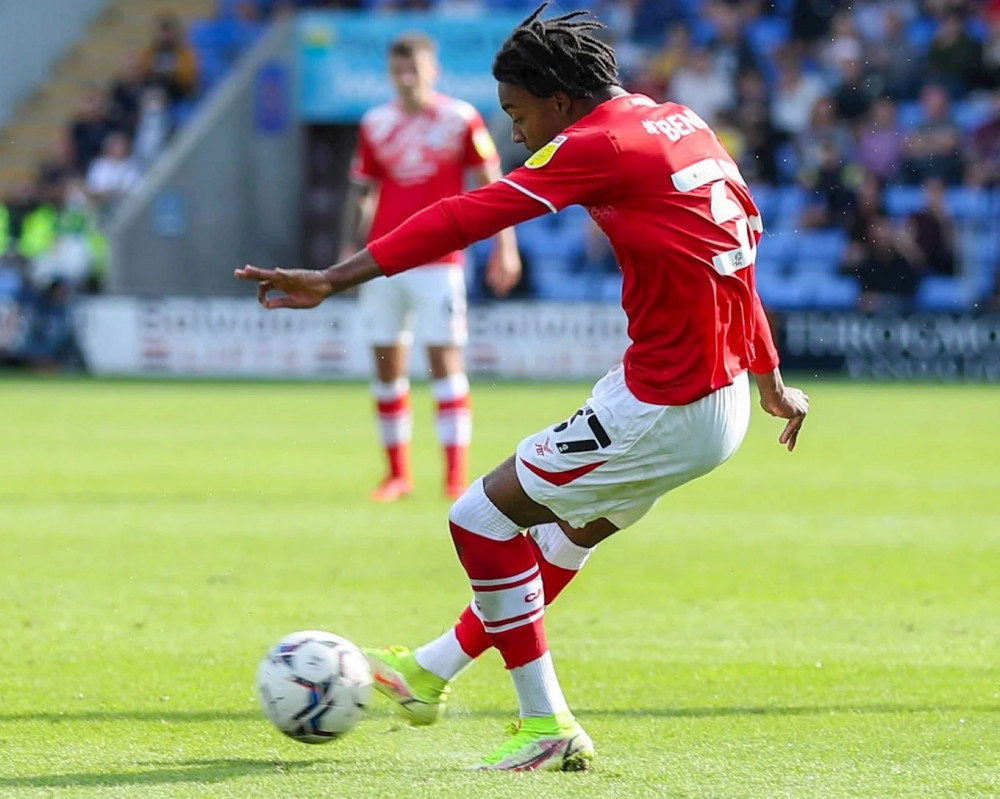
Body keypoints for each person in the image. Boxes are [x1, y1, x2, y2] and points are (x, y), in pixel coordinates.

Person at [236, 4, 809, 772]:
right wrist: (768, 374)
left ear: (561, 103)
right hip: (716, 393)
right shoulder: (679, 122)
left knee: (479, 520)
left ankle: (546, 724)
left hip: (669, 399)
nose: (514, 130)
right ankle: (426, 672)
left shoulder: (595, 144)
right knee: (558, 539)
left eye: (518, 112)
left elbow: (466, 213)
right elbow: (737, 253)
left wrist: (335, 278)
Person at [338, 32, 521, 502]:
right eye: (397, 71)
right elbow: (363, 192)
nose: (404, 80)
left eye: (413, 71)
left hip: (440, 260)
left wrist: (506, 247)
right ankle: (397, 474)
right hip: (382, 260)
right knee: (386, 364)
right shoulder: (375, 123)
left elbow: (491, 185)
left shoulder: (459, 119)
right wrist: (346, 250)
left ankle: (455, 476)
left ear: (432, 71)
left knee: (444, 361)